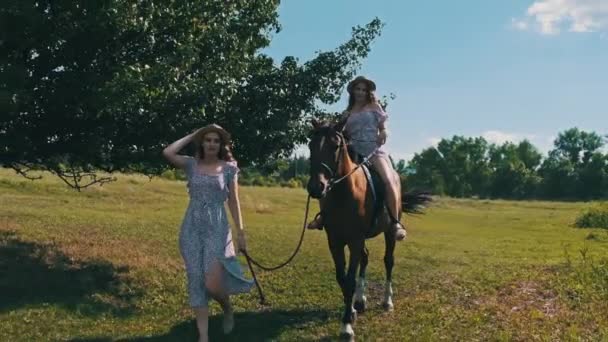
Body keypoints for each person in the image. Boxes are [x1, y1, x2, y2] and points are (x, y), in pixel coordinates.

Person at [162, 124, 253, 342]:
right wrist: (194, 134)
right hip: (191, 227)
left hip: (217, 227)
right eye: (207, 140)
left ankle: (227, 309)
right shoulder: (191, 164)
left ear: (221, 145)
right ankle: (204, 337)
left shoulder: (229, 168)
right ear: (202, 143)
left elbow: (233, 201)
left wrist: (240, 232)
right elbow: (167, 152)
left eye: (216, 141)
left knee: (212, 283)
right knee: (195, 279)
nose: (212, 144)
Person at [307, 76, 408, 241]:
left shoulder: (375, 107)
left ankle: (395, 222)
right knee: (329, 179)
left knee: (389, 180)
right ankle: (323, 217)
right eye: (358, 89)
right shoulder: (347, 113)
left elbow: (383, 127)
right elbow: (340, 133)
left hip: (374, 151)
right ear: (352, 91)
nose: (360, 92)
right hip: (353, 152)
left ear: (368, 92)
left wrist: (383, 132)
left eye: (363, 90)